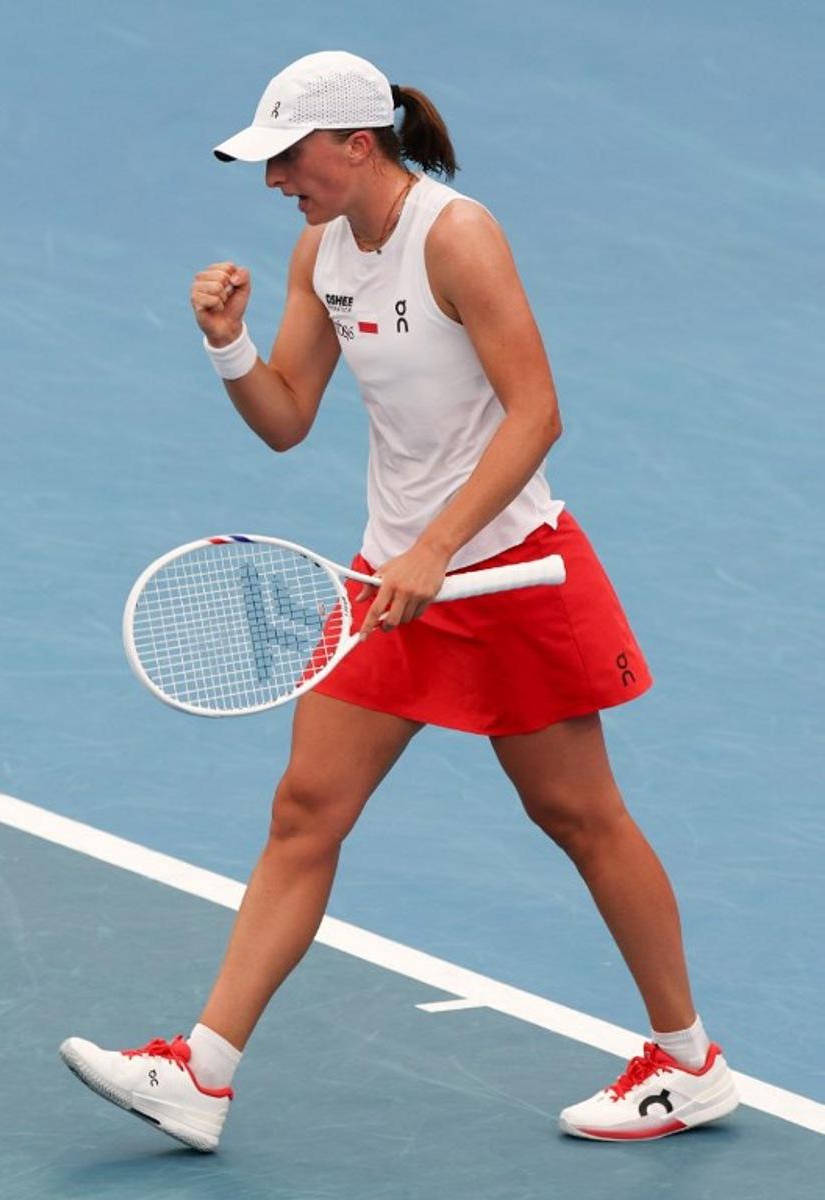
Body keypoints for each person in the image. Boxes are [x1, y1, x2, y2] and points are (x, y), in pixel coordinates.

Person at [60, 50, 739, 1150]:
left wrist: (438, 550)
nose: (277, 179)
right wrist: (226, 345)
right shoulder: (319, 250)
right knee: (304, 810)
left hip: (505, 573)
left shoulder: (455, 236)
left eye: (288, 157)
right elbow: (286, 420)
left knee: (577, 816)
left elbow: (537, 415)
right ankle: (202, 1073)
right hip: (389, 581)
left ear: (355, 143)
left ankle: (690, 1063)